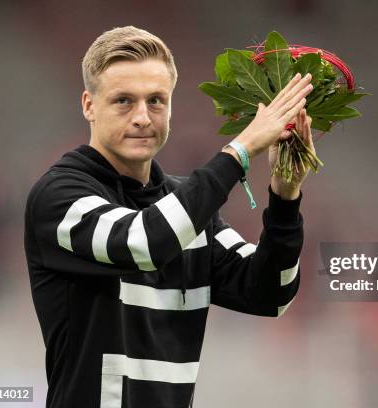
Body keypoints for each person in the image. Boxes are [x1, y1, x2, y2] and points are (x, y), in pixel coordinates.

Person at [24, 26, 314, 408]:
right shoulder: (59, 196)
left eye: (156, 100)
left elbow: (270, 293)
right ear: (89, 105)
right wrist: (240, 152)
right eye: (124, 101)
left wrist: (285, 197)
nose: (143, 117)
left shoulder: (185, 210)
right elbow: (144, 242)